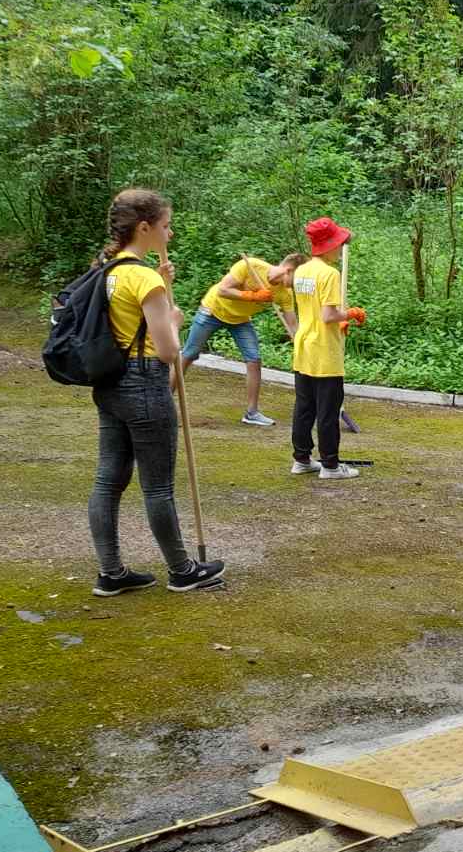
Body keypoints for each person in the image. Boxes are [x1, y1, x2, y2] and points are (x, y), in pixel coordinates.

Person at [87, 188, 227, 595]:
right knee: (158, 485)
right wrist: (175, 318)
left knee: (108, 480)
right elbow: (168, 350)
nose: (170, 234)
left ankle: (110, 573)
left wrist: (161, 292)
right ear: (144, 227)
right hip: (145, 382)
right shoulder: (143, 277)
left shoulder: (108, 269)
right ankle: (182, 570)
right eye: (166, 226)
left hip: (110, 382)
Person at [179, 253, 302, 426]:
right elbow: (223, 290)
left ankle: (251, 413)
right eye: (298, 277)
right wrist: (253, 296)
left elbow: (292, 324)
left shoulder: (285, 294)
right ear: (289, 270)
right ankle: (164, 402)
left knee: (254, 359)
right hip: (213, 310)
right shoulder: (250, 265)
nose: (298, 283)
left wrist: (302, 346)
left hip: (240, 320)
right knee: (188, 355)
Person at [290, 217, 367, 480]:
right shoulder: (329, 274)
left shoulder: (301, 270)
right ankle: (331, 465)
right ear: (329, 245)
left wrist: (339, 319)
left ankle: (301, 459)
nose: (340, 247)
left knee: (304, 406)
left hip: (304, 345)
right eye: (338, 243)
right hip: (324, 351)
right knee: (328, 410)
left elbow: (313, 312)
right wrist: (350, 314)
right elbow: (327, 315)